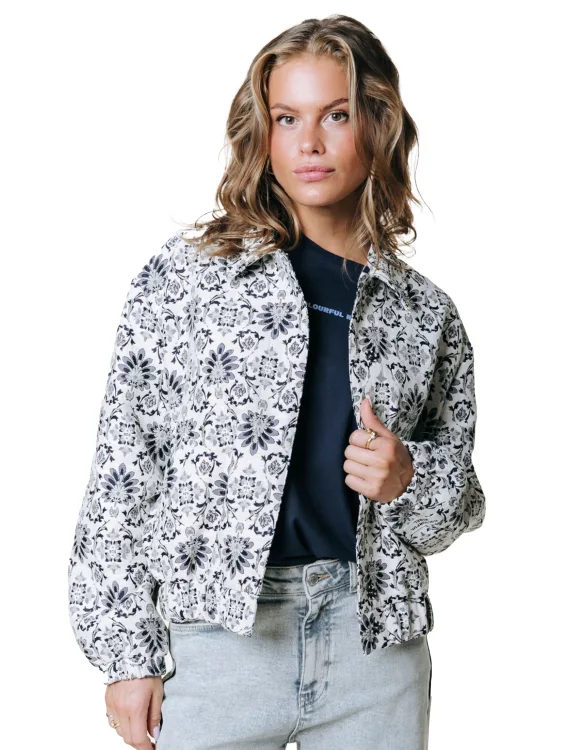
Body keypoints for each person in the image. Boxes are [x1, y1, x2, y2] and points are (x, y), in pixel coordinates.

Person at [67, 13, 485, 750]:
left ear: (378, 126)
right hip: (218, 640)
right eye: (287, 118)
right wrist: (127, 655)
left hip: (373, 647)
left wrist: (408, 479)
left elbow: (454, 515)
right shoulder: (189, 280)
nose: (308, 142)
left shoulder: (425, 315)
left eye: (336, 115)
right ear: (261, 134)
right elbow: (126, 469)